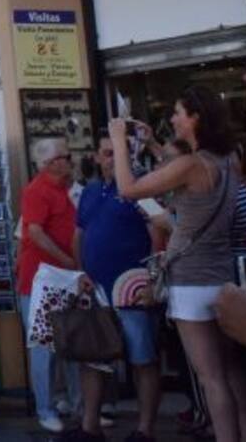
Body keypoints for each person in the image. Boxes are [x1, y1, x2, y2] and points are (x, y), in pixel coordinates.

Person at [111, 88, 246, 442]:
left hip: (191, 279)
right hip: (221, 274)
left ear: (195, 118)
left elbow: (128, 188)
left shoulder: (192, 165)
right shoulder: (224, 161)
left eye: (177, 113)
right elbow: (182, 177)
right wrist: (155, 147)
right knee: (232, 370)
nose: (172, 119)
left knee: (211, 378)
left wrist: (118, 140)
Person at [69, 135, 162, 442]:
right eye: (107, 152)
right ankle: (90, 426)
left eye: (117, 152)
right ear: (96, 157)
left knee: (142, 359)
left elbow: (158, 232)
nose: (112, 158)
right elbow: (79, 234)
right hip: (96, 288)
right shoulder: (91, 191)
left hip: (133, 288)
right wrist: (79, 271)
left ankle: (145, 430)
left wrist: (153, 279)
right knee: (92, 357)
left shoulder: (142, 189)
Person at [16, 136, 81, 433]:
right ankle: (45, 408)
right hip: (40, 278)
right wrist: (66, 259)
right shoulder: (37, 190)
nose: (70, 160)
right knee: (43, 345)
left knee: (69, 343)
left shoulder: (68, 190)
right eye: (65, 157)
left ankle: (73, 402)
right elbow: (35, 232)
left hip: (64, 276)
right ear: (51, 163)